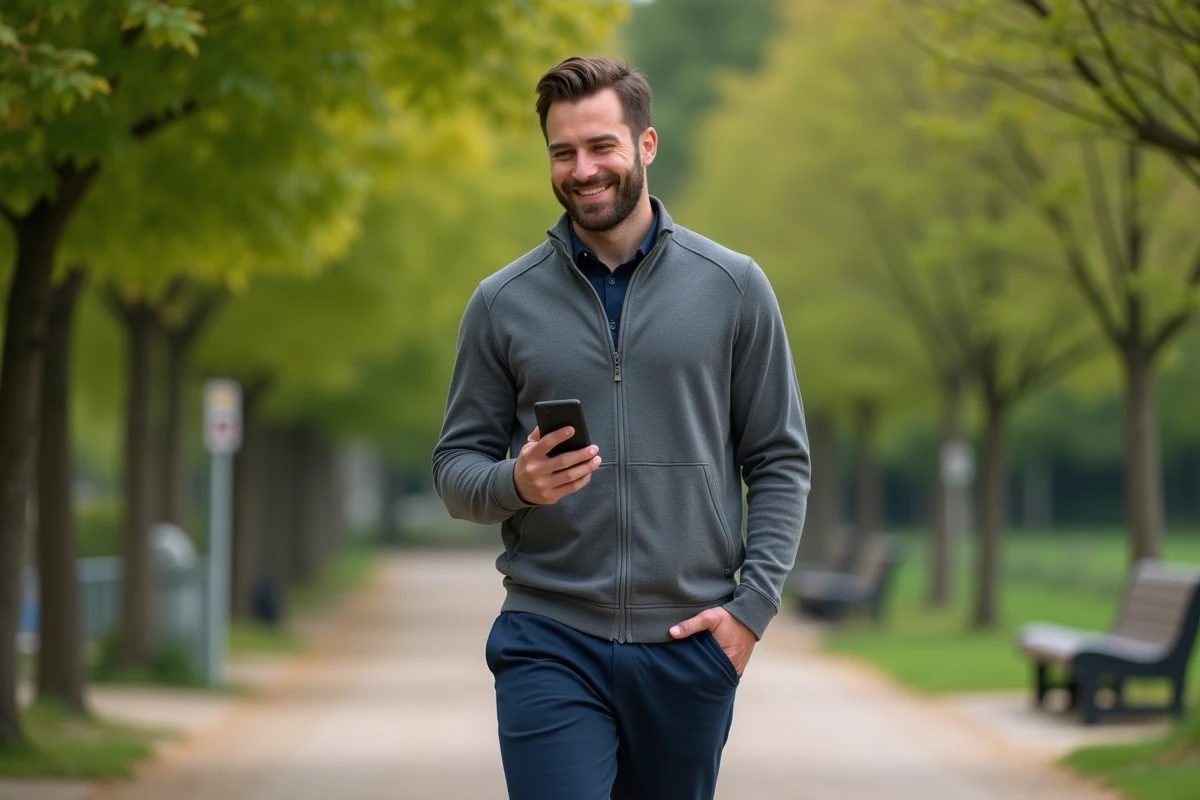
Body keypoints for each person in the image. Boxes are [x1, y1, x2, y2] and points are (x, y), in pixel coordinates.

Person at [432, 56, 810, 800]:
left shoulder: (734, 287)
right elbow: (455, 469)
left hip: (689, 645)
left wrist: (750, 615)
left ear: (645, 145)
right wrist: (517, 481)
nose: (582, 169)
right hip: (550, 635)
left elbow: (778, 460)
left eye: (600, 145)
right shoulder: (502, 303)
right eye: (562, 152)